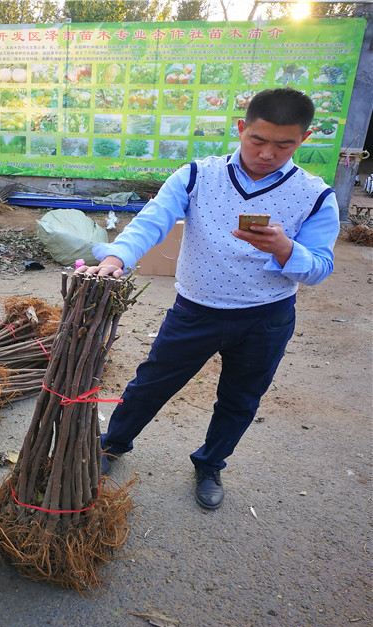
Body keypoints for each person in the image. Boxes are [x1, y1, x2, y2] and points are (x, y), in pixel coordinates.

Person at [78, 87, 340, 510]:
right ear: (241, 129)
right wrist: (116, 257)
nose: (268, 153)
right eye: (258, 140)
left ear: (303, 140)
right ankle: (112, 445)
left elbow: (320, 267)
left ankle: (210, 463)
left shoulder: (315, 196)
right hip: (196, 309)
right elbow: (154, 220)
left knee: (240, 398)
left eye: (283, 144)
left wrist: (285, 248)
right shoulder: (198, 175)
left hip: (266, 318)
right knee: (151, 383)